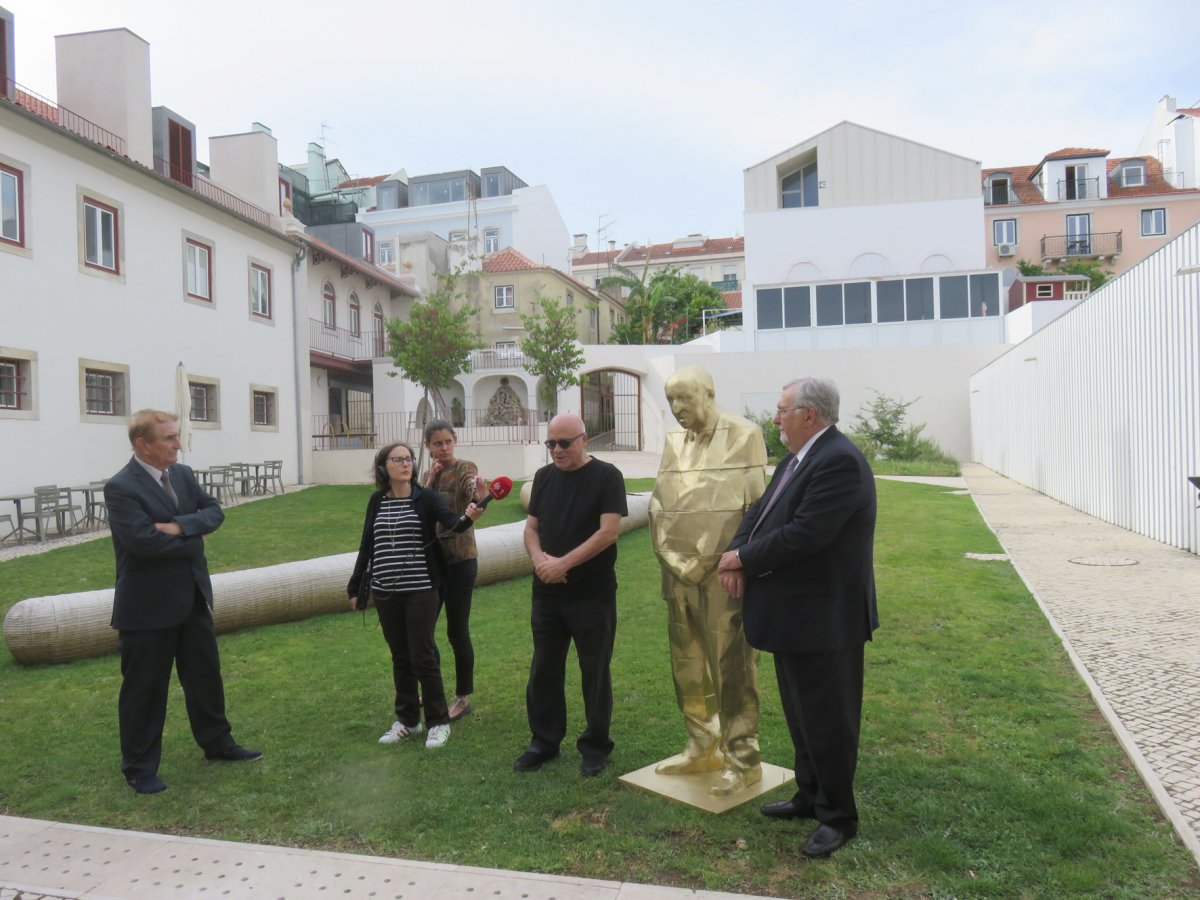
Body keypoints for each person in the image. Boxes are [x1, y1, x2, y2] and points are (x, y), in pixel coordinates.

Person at [717, 378, 878, 859]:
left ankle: (838, 817)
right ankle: (810, 795)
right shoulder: (796, 460)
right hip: (794, 616)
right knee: (801, 715)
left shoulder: (839, 462)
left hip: (825, 619)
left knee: (829, 720)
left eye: (782, 409)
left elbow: (807, 534)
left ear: (810, 415)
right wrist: (736, 550)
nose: (776, 418)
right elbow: (761, 513)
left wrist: (744, 560)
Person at [105, 409, 260, 795]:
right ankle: (139, 768)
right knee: (145, 689)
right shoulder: (121, 487)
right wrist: (195, 538)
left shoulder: (184, 474)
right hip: (147, 607)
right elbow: (143, 543)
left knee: (205, 676)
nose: (178, 444)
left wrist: (181, 526)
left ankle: (218, 744)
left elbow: (215, 512)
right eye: (170, 438)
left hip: (191, 597)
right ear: (143, 444)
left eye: (178, 436)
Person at [649, 366, 768, 796]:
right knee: (688, 665)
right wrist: (671, 558)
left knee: (732, 667)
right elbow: (659, 505)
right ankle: (702, 744)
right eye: (671, 401)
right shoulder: (673, 442)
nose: (678, 409)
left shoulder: (744, 434)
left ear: (709, 393)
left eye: (685, 398)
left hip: (724, 576)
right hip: (677, 575)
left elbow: (754, 510)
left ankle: (743, 758)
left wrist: (721, 562)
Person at [347, 442, 485, 750]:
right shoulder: (376, 501)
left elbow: (454, 524)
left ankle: (438, 722)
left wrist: (473, 510)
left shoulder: (426, 498)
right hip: (384, 591)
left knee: (423, 655)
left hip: (421, 589)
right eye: (398, 459)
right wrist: (356, 587)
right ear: (384, 467)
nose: (406, 464)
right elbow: (367, 545)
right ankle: (409, 720)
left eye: (409, 459)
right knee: (400, 657)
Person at [514, 413, 628, 777]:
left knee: (594, 670)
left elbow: (608, 532)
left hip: (592, 593)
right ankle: (544, 741)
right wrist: (541, 562)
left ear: (585, 440)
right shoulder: (544, 478)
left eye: (565, 443)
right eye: (551, 444)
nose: (557, 451)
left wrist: (563, 563)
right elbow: (531, 529)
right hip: (547, 593)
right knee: (544, 667)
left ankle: (595, 745)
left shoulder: (607, 476)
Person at [423, 419, 480, 722]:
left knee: (457, 631)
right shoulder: (427, 476)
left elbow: (472, 488)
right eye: (437, 443)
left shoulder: (464, 468)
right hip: (432, 564)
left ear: (455, 441)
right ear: (428, 446)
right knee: (424, 629)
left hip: (461, 562)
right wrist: (430, 479)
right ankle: (431, 691)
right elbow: (417, 508)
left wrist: (477, 493)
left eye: (448, 441)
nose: (444, 448)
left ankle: (462, 698)